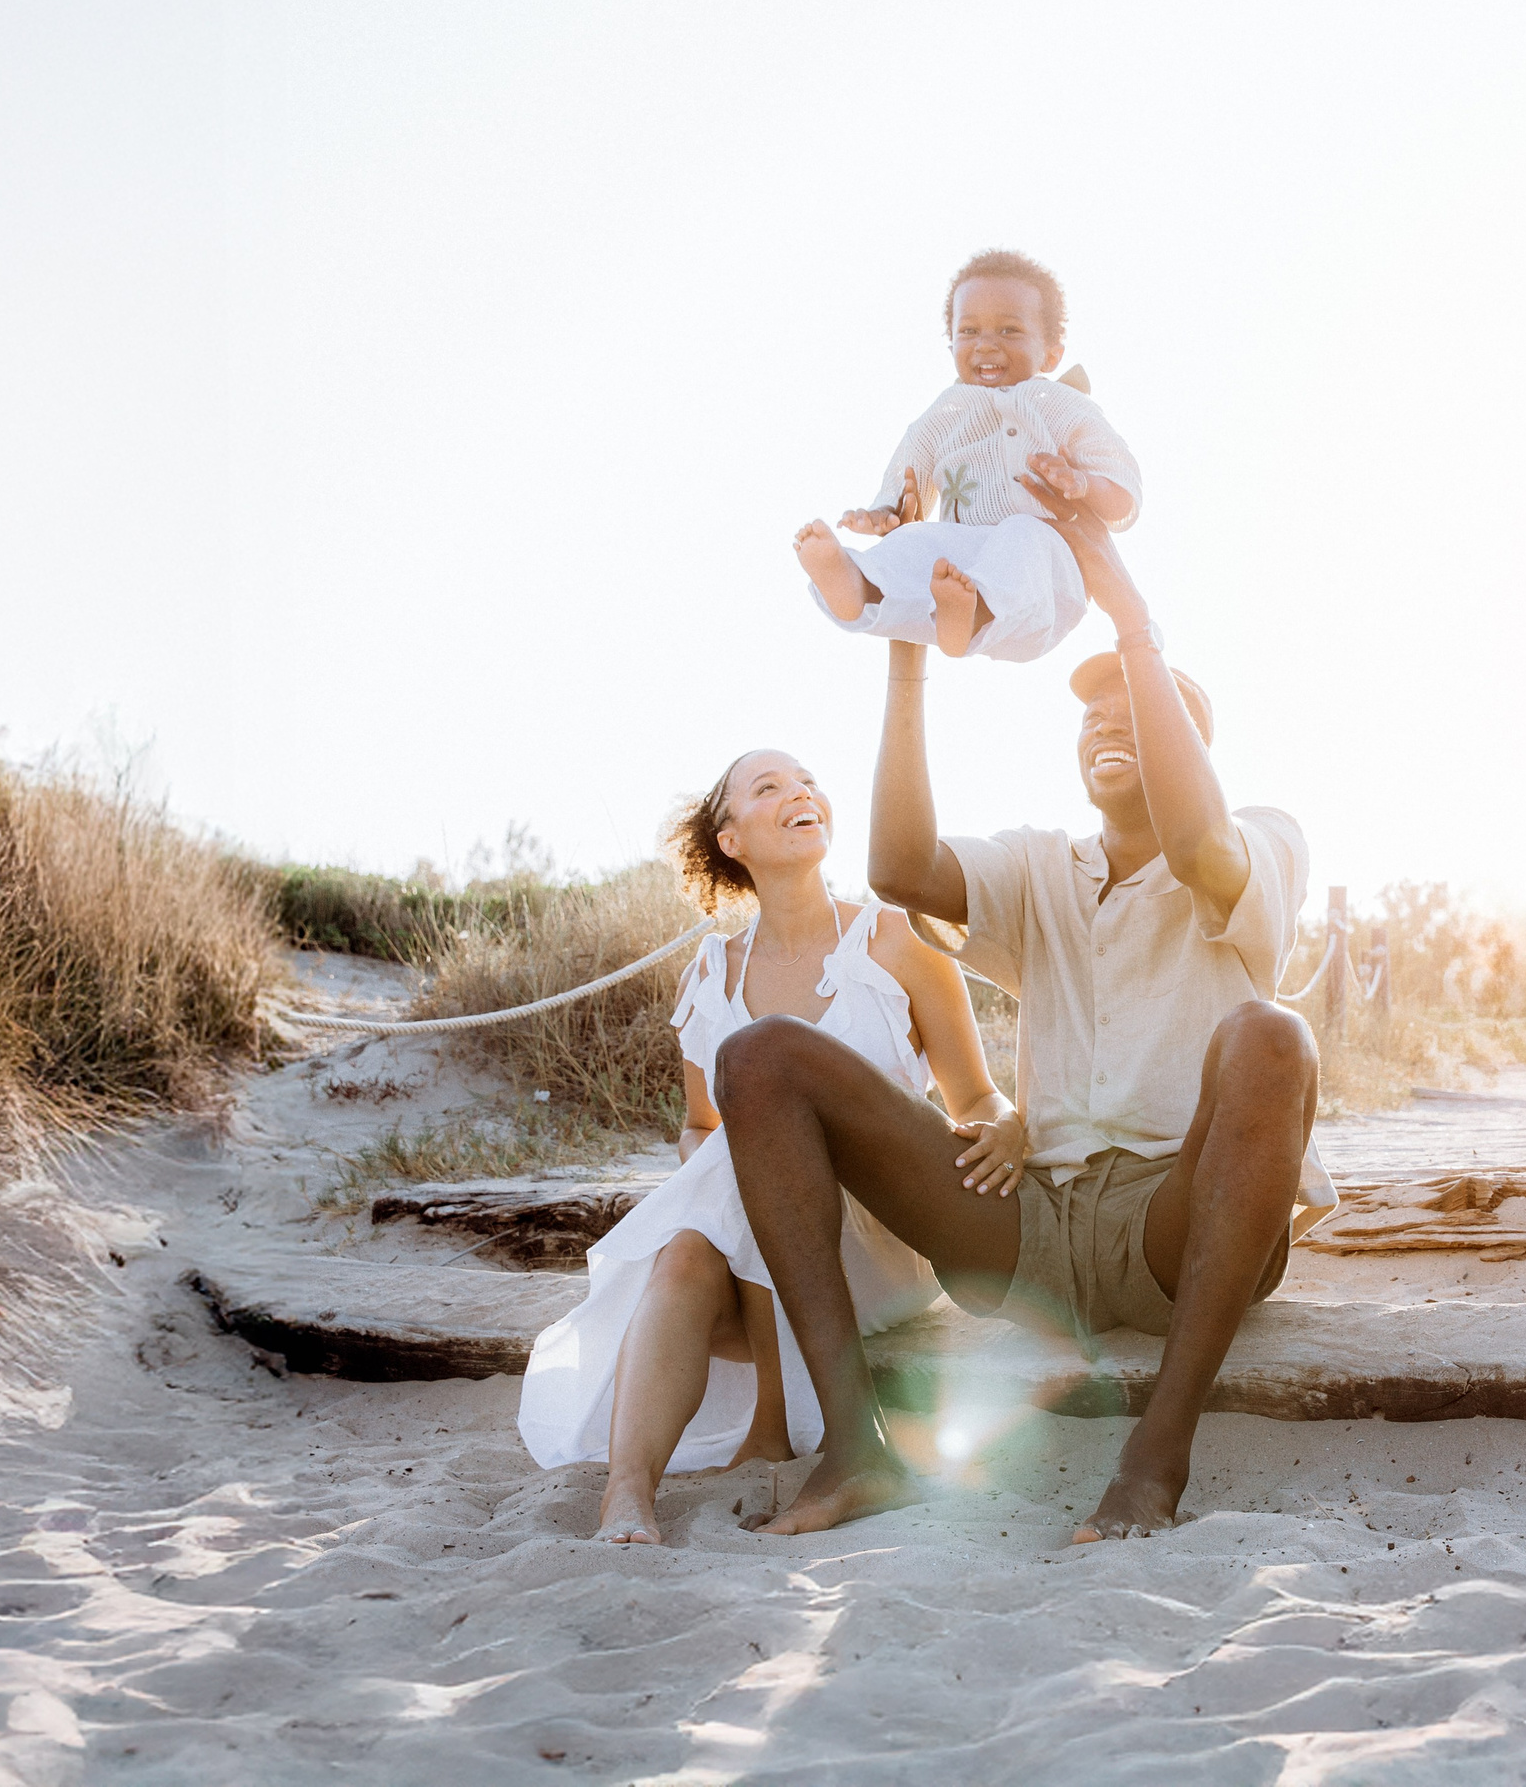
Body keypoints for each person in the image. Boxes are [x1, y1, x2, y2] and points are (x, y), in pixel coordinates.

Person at [716, 477, 1336, 1542]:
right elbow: (901, 865)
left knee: (1269, 1035)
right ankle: (852, 1447)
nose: (1110, 720)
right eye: (1093, 711)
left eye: (1142, 710)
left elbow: (1198, 844)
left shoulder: (1259, 837)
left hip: (1178, 1224)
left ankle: (1155, 1458)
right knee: (762, 1056)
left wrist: (1130, 621)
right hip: (1036, 1223)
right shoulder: (1045, 865)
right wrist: (907, 633)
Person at [515, 749, 1021, 1545]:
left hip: (878, 1238)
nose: (801, 792)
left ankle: (772, 1424)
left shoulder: (897, 942)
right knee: (688, 1247)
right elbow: (699, 1130)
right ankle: (628, 1496)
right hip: (756, 1250)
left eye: (809, 780)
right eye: (770, 786)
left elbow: (976, 1096)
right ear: (730, 838)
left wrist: (1006, 1121)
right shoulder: (709, 974)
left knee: (741, 1171)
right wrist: (726, 1167)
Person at [792, 248, 1144, 662]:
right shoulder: (950, 410)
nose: (986, 345)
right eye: (970, 331)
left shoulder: (1062, 404)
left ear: (1051, 353)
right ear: (952, 343)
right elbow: (912, 460)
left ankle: (976, 611)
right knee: (916, 539)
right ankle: (860, 586)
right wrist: (882, 511)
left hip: (1047, 576)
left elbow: (1123, 493)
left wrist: (1082, 482)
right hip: (960, 565)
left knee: (1022, 534)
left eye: (1009, 331)